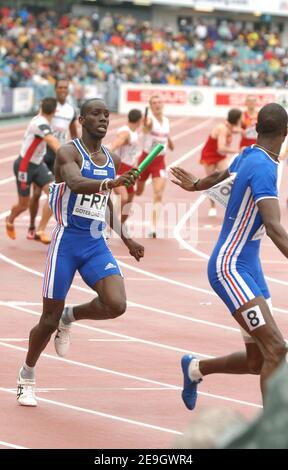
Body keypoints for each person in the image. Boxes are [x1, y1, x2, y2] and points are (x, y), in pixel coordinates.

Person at [16, 98, 144, 407]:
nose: (102, 119)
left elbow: (106, 205)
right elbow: (74, 181)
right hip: (66, 243)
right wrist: (110, 182)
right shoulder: (68, 152)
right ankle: (27, 374)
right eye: (95, 114)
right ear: (83, 120)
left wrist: (127, 239)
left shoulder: (111, 158)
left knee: (117, 304)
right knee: (47, 320)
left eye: (105, 114)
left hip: (95, 242)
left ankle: (71, 316)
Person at [171, 103, 288, 411]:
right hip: (230, 268)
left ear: (256, 130)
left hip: (250, 268)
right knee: (277, 347)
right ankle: (272, 435)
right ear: (285, 133)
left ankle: (196, 368)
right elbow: (274, 227)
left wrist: (197, 184)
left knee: (258, 359)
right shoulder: (264, 167)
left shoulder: (248, 154)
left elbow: (224, 174)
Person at [27, 78, 78, 243]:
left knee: (55, 192)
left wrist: (79, 151)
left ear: (68, 89)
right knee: (35, 194)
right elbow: (37, 123)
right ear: (55, 89)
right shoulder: (48, 107)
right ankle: (31, 226)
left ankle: (41, 228)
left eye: (65, 87)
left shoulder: (71, 110)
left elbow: (74, 132)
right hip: (43, 153)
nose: (63, 90)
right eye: (60, 87)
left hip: (59, 154)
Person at [5, 98, 60, 241]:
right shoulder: (39, 123)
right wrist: (69, 156)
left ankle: (40, 230)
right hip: (24, 166)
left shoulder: (44, 120)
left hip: (38, 165)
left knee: (53, 193)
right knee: (24, 204)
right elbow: (51, 141)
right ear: (55, 111)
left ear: (40, 108)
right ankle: (10, 219)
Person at [136, 95, 174, 238]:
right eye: (154, 103)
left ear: (162, 104)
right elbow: (147, 126)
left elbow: (165, 134)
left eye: (159, 102)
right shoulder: (150, 120)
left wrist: (169, 142)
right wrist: (146, 124)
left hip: (159, 161)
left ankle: (152, 226)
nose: (157, 104)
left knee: (158, 193)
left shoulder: (166, 121)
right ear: (150, 106)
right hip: (145, 159)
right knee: (138, 192)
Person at [200, 108, 242, 217]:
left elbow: (235, 130)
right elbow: (221, 148)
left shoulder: (229, 126)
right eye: (240, 118)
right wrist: (238, 151)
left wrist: (242, 131)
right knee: (210, 181)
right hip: (209, 155)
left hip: (220, 157)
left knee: (229, 178)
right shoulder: (222, 129)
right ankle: (212, 206)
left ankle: (231, 207)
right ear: (237, 119)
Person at [108, 108, 142, 225]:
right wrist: (106, 154)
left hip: (130, 170)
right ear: (140, 120)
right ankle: (110, 226)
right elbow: (117, 142)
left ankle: (121, 225)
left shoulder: (134, 132)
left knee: (129, 201)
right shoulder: (125, 132)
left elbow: (132, 155)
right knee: (124, 198)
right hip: (119, 169)